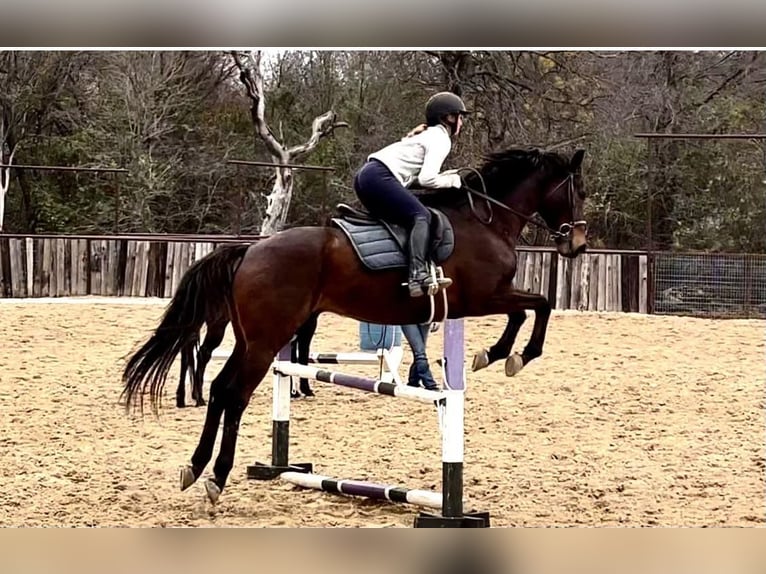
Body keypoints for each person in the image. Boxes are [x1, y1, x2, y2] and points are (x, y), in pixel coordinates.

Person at [353, 91, 470, 297]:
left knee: (405, 218)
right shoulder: (440, 138)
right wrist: (454, 180)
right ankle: (417, 274)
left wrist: (445, 176)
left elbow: (417, 178)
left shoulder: (427, 135)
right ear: (449, 118)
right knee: (421, 216)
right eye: (460, 117)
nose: (462, 122)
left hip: (366, 177)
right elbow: (427, 180)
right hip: (379, 177)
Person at [402, 322, 439, 391]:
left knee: (419, 353)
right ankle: (430, 384)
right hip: (407, 316)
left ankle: (413, 382)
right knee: (420, 354)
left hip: (424, 317)